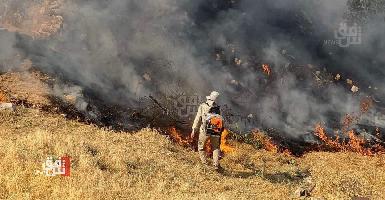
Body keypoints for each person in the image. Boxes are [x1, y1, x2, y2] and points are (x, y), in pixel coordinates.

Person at [191, 91, 223, 171]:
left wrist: (194, 129)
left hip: (205, 131)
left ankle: (205, 164)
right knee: (215, 147)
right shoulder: (218, 108)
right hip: (216, 131)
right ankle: (216, 165)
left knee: (201, 147)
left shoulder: (202, 106)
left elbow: (198, 118)